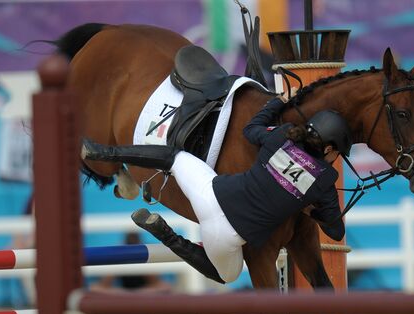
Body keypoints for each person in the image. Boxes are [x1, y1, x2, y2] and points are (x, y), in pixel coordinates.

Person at [82, 93, 350, 284]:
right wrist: (308, 206)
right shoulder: (325, 179)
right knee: (226, 276)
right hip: (226, 234)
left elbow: (250, 129)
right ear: (328, 148)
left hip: (211, 191)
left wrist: (275, 102)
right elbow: (335, 231)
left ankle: (104, 152)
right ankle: (165, 234)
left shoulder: (282, 135)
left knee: (174, 157)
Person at [89, 232, 173, 293]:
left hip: (142, 290)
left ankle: (131, 294)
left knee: (165, 287)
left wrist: (141, 262)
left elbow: (156, 283)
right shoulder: (119, 254)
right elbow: (104, 284)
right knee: (94, 288)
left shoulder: (145, 254)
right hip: (127, 291)